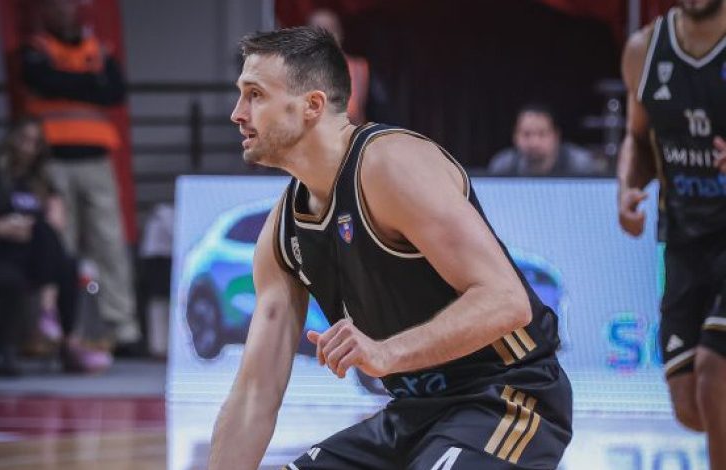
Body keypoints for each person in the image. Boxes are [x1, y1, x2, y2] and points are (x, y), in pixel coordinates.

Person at [209, 27, 572, 469]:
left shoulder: (391, 166)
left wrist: (386, 352)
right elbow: (254, 394)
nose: (237, 113)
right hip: (410, 415)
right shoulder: (281, 233)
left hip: (505, 396)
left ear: (312, 106)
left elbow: (507, 300)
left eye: (255, 95)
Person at [618, 0, 726, 467]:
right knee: (690, 405)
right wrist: (627, 188)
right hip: (684, 239)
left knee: (714, 372)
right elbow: (637, 137)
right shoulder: (644, 49)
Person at [19, 0, 141, 353]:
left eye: (70, 4)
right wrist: (87, 82)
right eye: (57, 5)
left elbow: (113, 91)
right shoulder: (36, 49)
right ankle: (60, 330)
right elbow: (42, 80)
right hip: (52, 163)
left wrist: (68, 82)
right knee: (60, 246)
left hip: (96, 161)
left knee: (110, 244)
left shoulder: (98, 50)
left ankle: (123, 329)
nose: (64, 11)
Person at [0, 117, 111, 375]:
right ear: (11, 141)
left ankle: (65, 339)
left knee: (68, 264)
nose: (28, 148)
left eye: (35, 142)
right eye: (24, 140)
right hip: (5, 252)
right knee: (16, 274)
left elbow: (55, 223)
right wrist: (5, 227)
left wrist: (54, 210)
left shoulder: (41, 181)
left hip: (33, 255)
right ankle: (48, 323)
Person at [488, 104, 603, 177]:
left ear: (556, 136)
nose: (534, 143)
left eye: (542, 134)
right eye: (526, 134)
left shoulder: (580, 164)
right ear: (515, 136)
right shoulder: (503, 166)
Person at [308, 9, 370, 125]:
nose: (324, 37)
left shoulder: (358, 66)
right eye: (317, 30)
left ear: (339, 33)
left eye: (329, 29)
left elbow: (354, 112)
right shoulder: (299, 68)